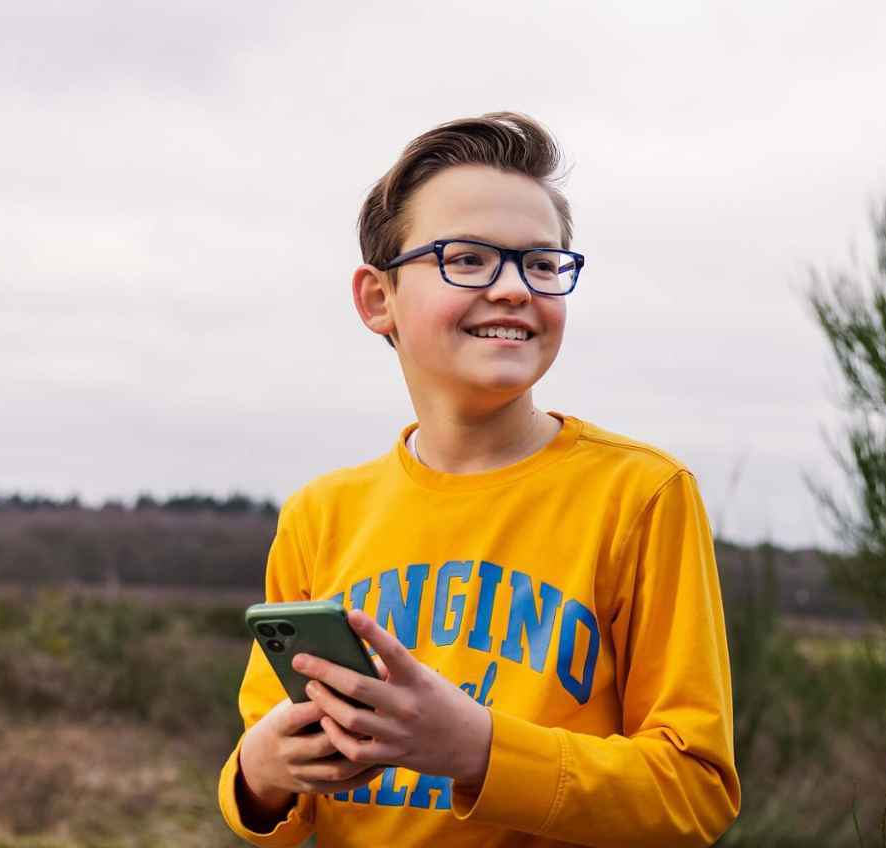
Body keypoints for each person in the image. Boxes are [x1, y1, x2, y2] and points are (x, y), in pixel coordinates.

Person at [215, 112, 741, 847]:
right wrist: (262, 772)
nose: (514, 289)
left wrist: (480, 750)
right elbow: (272, 780)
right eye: (466, 259)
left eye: (542, 264)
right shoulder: (320, 515)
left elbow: (696, 792)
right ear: (377, 299)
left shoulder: (642, 495)